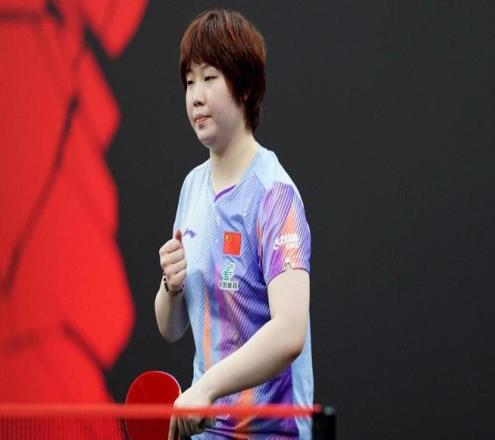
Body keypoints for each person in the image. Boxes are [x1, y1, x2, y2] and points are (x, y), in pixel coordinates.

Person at [155, 8, 313, 439]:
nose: (196, 96)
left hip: (272, 433)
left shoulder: (274, 195)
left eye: (210, 78)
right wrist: (171, 285)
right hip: (208, 430)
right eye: (189, 82)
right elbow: (171, 327)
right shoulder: (192, 188)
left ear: (244, 86)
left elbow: (290, 332)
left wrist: (206, 387)